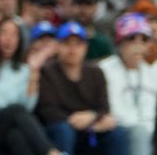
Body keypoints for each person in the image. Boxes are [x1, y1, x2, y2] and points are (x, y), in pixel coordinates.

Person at [0, 18, 61, 155]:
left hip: (3, 128)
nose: (8, 39)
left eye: (14, 34)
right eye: (3, 33)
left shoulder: (23, 70)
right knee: (15, 111)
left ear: (19, 41)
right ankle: (52, 152)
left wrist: (33, 72)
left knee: (16, 136)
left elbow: (27, 108)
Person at [35, 22, 129, 154]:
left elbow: (103, 106)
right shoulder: (47, 71)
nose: (73, 49)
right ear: (58, 46)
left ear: (85, 47)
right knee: (63, 130)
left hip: (91, 128)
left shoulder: (96, 71)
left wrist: (92, 116)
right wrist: (76, 120)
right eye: (67, 43)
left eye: (78, 44)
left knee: (118, 133)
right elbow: (47, 109)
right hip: (60, 128)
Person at [97, 13, 157, 155]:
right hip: (117, 132)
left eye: (144, 39)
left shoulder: (152, 72)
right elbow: (112, 111)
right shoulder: (104, 69)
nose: (138, 45)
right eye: (132, 39)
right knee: (139, 133)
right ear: (120, 42)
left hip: (149, 134)